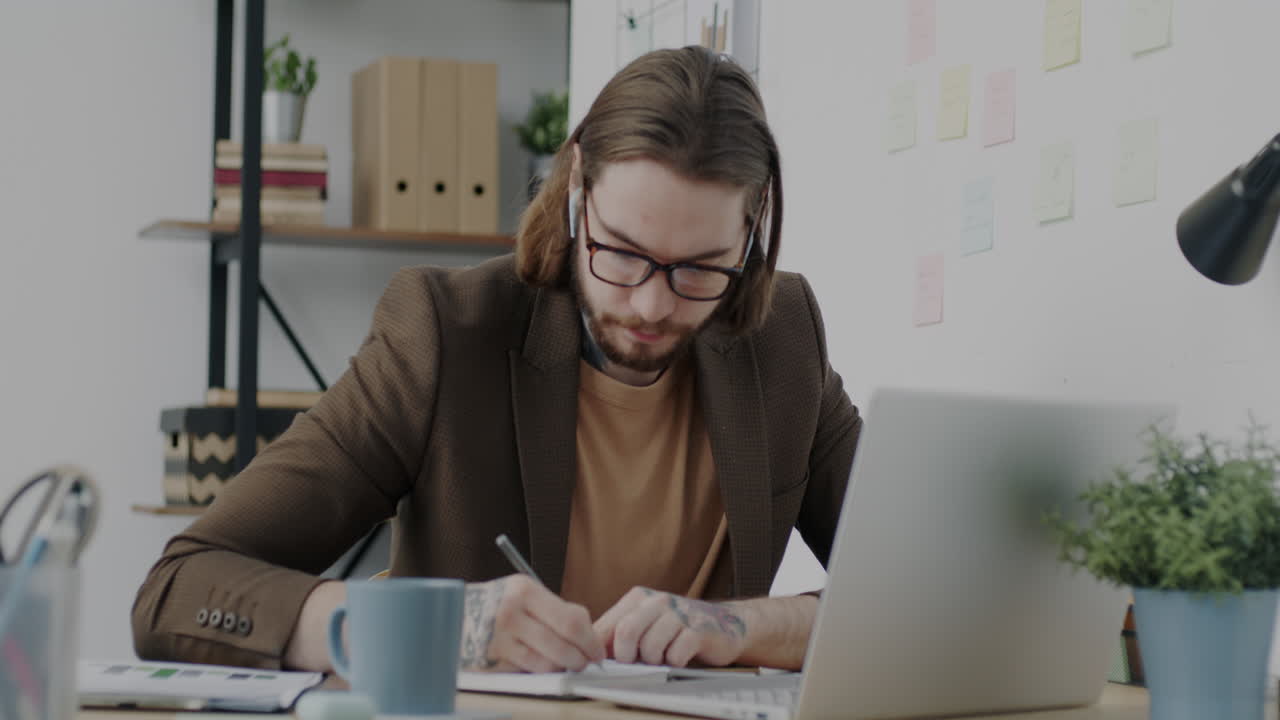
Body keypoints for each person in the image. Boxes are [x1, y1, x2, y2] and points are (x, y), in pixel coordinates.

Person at [132, 46, 861, 674]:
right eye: (621, 254)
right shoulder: (446, 333)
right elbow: (179, 587)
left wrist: (743, 629)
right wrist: (441, 630)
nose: (648, 306)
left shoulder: (785, 340)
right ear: (577, 188)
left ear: (753, 228)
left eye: (699, 269)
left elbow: (932, 598)